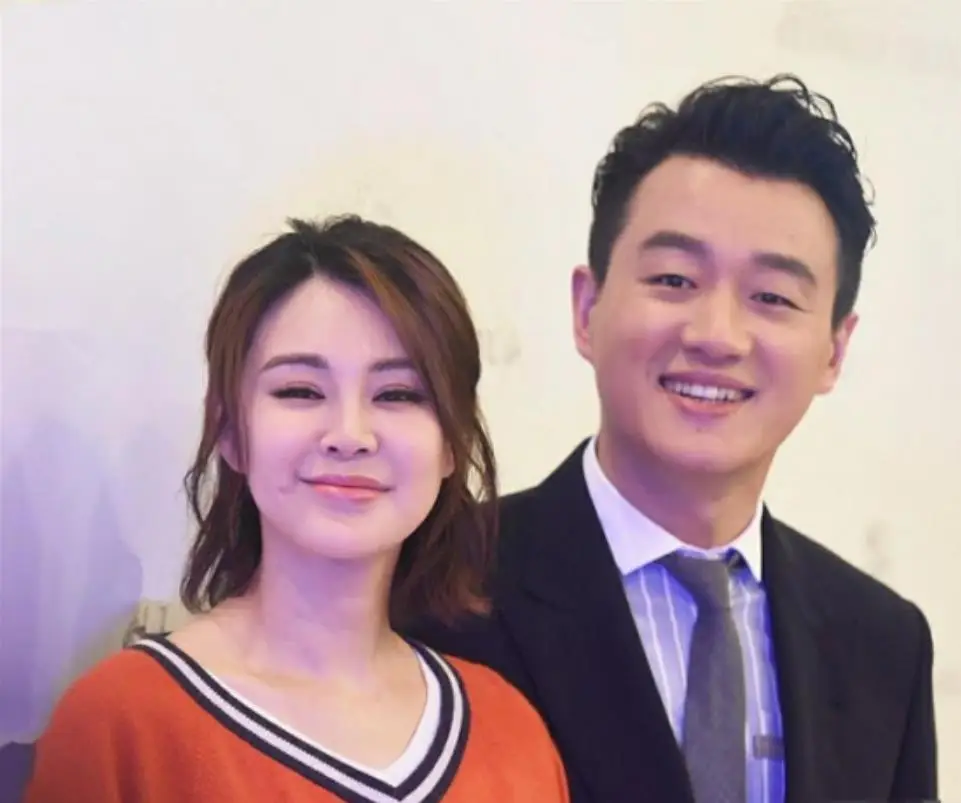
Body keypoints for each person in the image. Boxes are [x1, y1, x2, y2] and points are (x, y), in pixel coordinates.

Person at [405, 74, 938, 803]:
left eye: (772, 297)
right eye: (674, 279)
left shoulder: (882, 645)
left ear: (833, 351)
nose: (717, 335)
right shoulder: (435, 584)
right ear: (587, 309)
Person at [24, 215, 570, 802]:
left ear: (451, 443)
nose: (350, 435)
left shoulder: (509, 730)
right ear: (228, 429)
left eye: (398, 394)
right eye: (300, 391)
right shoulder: (121, 722)